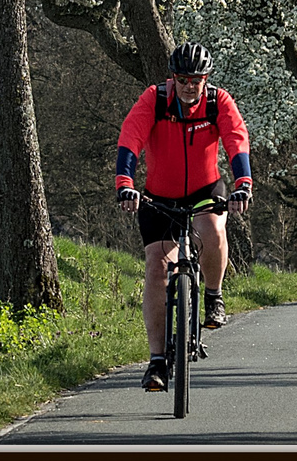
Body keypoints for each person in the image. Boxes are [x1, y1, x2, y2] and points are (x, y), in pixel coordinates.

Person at [116, 42, 253, 392]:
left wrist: (243, 184)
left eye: (197, 79)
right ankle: (157, 361)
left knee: (212, 231)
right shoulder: (155, 99)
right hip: (158, 196)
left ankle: (213, 295)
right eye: (183, 79)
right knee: (156, 268)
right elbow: (130, 138)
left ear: (205, 79)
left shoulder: (216, 102)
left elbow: (237, 140)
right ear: (172, 78)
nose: (190, 86)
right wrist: (125, 183)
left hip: (205, 190)